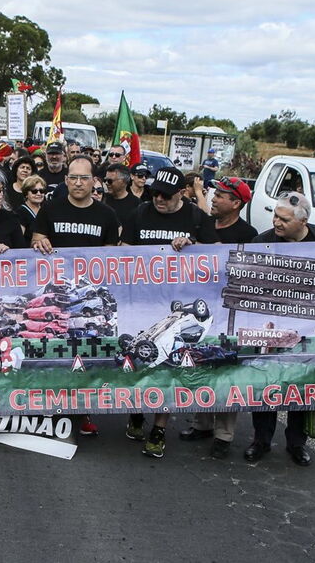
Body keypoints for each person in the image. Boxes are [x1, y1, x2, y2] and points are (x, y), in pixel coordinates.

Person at [121, 166, 219, 458]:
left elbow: (217, 253)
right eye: (154, 194)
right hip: (144, 299)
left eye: (165, 195)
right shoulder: (140, 213)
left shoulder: (196, 217)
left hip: (179, 303)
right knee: (144, 357)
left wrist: (193, 246)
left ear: (181, 193)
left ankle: (159, 428)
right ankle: (138, 411)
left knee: (169, 364)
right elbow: (123, 251)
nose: (158, 200)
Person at [244, 192, 315, 467]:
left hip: (309, 324)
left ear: (303, 221)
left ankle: (297, 442)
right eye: (275, 215)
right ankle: (261, 440)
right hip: (272, 322)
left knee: (303, 381)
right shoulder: (262, 241)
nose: (276, 222)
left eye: (283, 219)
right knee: (267, 380)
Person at [32, 156, 119, 436]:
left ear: (94, 181)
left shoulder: (106, 215)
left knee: (84, 353)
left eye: (84, 178)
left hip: (88, 299)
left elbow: (112, 256)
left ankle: (82, 414)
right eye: (73, 178)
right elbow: (34, 240)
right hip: (55, 295)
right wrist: (38, 240)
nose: (78, 183)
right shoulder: (50, 209)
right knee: (56, 352)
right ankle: (51, 410)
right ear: (66, 180)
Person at [178, 177, 256, 458]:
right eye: (214, 193)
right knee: (201, 361)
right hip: (203, 311)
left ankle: (224, 434)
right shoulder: (203, 224)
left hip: (231, 313)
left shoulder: (248, 234)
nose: (213, 198)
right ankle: (201, 423)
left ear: (236, 203)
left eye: (221, 195)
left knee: (226, 370)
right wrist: (185, 244)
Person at [14, 175, 46, 244]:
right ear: (26, 194)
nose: (39, 193)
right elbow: (18, 239)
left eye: (41, 191)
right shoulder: (21, 212)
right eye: (34, 191)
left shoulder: (46, 209)